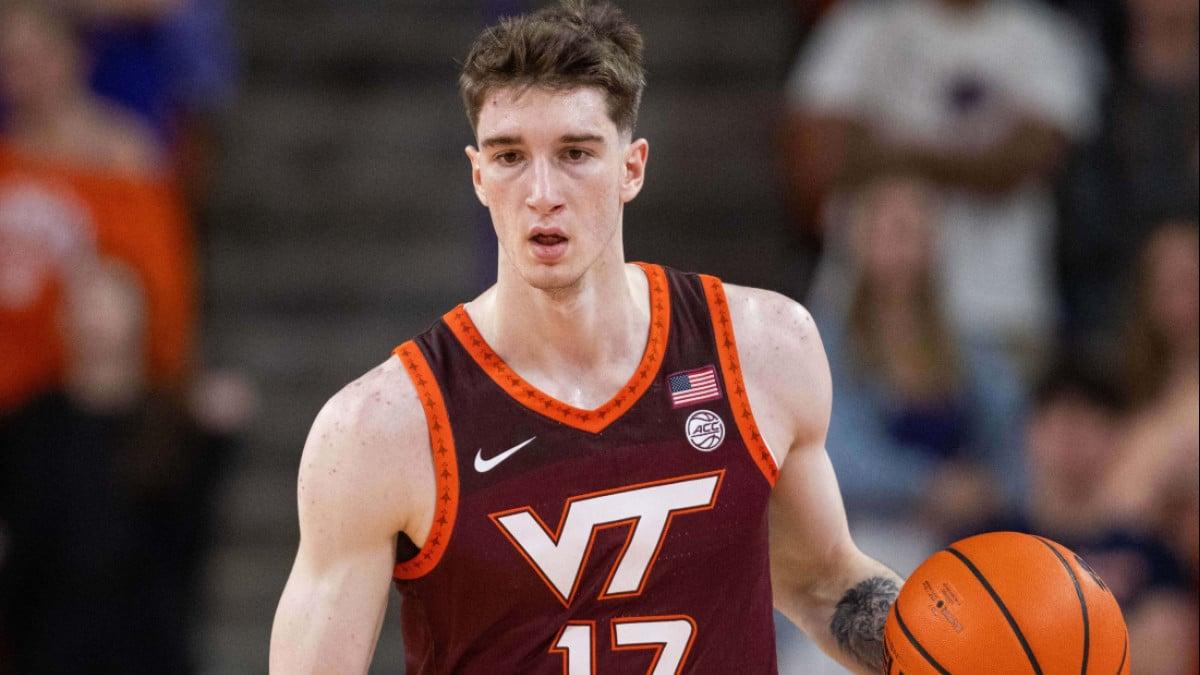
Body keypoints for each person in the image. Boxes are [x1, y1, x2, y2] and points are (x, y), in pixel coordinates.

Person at [270, 2, 903, 673]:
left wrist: (948, 641)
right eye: (510, 156)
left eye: (575, 153)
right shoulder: (381, 426)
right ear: (479, 176)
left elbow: (822, 583)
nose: (542, 192)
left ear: (631, 167)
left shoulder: (760, 348)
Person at [786, 0, 1100, 366]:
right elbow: (817, 156)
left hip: (1000, 310)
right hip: (864, 315)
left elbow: (1035, 157)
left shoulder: (1040, 34)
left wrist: (889, 145)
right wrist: (979, 154)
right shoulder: (862, 25)